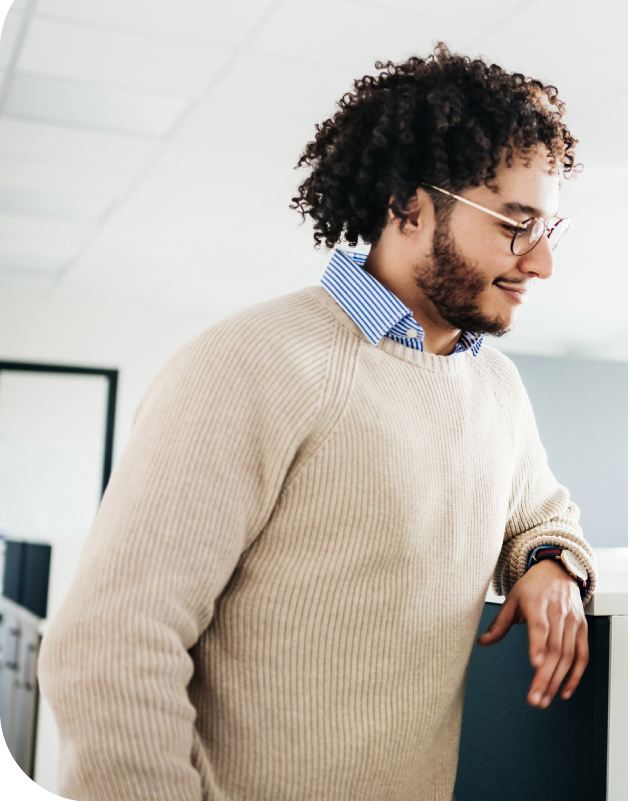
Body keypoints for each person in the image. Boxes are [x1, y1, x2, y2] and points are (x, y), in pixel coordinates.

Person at [39, 45, 597, 801]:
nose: (541, 264)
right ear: (408, 205)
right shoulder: (248, 364)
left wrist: (550, 565)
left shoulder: (495, 387)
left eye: (549, 231)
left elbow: (542, 512)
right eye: (514, 223)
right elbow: (107, 649)